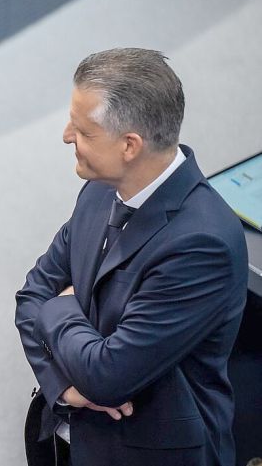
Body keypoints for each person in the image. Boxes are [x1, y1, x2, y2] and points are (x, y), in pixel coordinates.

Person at [15, 48, 248, 466]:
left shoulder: (202, 243)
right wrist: (63, 388)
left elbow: (107, 376)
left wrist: (62, 306)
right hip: (68, 439)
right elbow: (30, 295)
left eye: (83, 131)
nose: (67, 135)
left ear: (130, 146)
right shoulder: (99, 191)